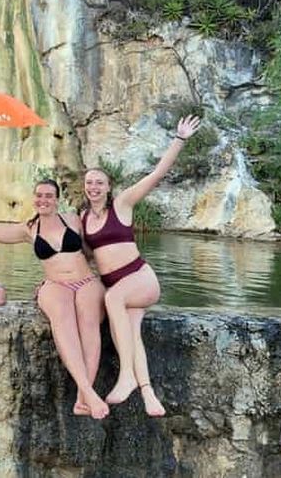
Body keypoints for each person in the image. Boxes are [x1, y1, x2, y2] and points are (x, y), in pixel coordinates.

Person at [82, 115, 201, 417]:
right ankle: (149, 396)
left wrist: (180, 138)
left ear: (109, 187)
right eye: (89, 183)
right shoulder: (84, 219)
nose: (93, 187)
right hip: (121, 288)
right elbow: (83, 256)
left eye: (99, 182)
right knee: (131, 335)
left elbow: (157, 174)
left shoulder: (121, 205)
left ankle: (126, 377)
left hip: (140, 280)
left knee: (112, 299)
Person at [0, 177, 109, 420]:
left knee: (89, 320)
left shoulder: (73, 219)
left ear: (57, 199)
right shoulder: (29, 229)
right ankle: (88, 392)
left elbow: (98, 247)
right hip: (55, 284)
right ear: (34, 199)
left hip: (86, 281)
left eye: (48, 196)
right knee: (62, 318)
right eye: (39, 195)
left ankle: (83, 397)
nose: (43, 200)